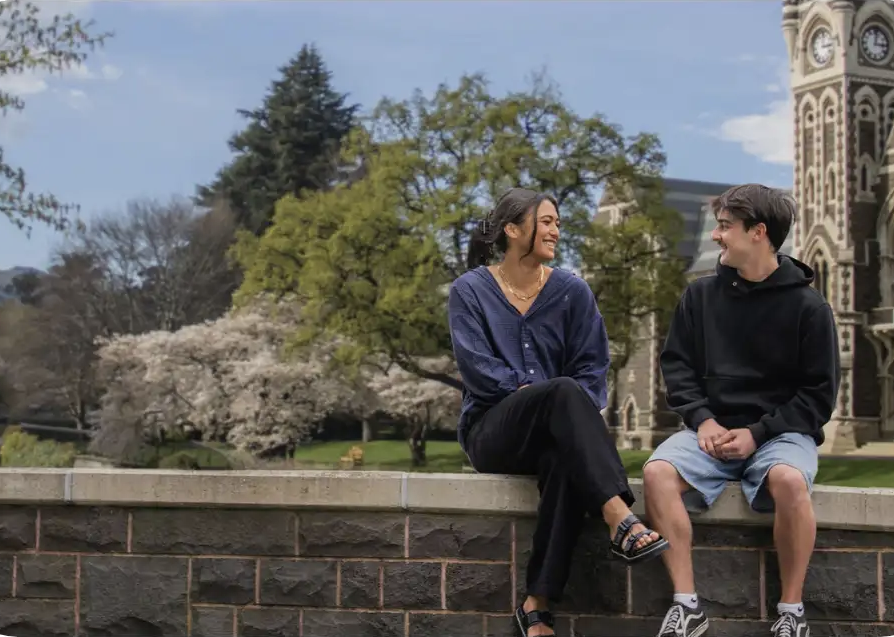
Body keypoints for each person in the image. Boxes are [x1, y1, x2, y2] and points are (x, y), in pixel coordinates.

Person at [447, 187, 670, 637]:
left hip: (557, 431)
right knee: (561, 392)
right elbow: (479, 372)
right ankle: (619, 517)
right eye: (545, 221)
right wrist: (537, 394)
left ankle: (537, 605)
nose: (555, 230)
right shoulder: (469, 290)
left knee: (566, 458)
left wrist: (559, 407)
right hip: (492, 432)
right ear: (513, 230)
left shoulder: (572, 291)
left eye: (557, 223)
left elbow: (593, 369)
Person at [642, 183, 841, 637]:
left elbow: (818, 397)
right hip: (709, 431)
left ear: (759, 233)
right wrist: (703, 419)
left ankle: (792, 612)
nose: (716, 236)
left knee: (790, 479)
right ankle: (687, 606)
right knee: (656, 472)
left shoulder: (809, 308)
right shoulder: (699, 297)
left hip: (780, 434)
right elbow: (677, 368)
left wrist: (759, 432)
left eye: (725, 227)